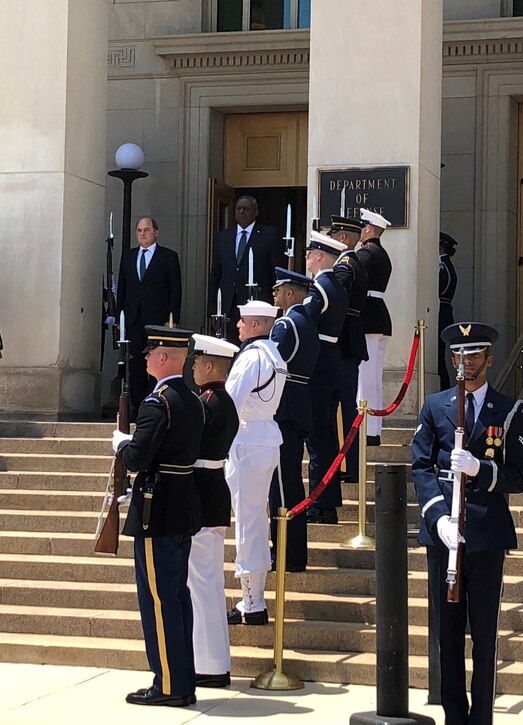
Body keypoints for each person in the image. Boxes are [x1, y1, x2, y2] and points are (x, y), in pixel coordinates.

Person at [412, 321, 523, 725]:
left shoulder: (510, 410)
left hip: (486, 534)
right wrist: (436, 516)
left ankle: (482, 717)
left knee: (483, 635)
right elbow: (421, 467)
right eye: (459, 355)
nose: (465, 363)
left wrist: (482, 469)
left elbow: (520, 477)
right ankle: (453, 716)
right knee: (447, 635)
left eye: (474, 355)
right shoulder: (435, 406)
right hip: (445, 533)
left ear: (489, 359)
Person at [112, 326, 203, 708]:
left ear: (165, 357)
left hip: (157, 508)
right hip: (181, 503)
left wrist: (122, 445)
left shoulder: (157, 403)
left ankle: (169, 683)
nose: (146, 357)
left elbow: (138, 458)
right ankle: (181, 676)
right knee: (177, 596)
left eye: (151, 352)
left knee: (159, 599)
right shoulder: (192, 399)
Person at [225, 300, 286, 626]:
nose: (238, 326)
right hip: (265, 437)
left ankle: (252, 602)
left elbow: (230, 401)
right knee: (256, 521)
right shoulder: (275, 354)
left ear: (256, 325)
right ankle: (254, 598)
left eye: (243, 321)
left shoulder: (251, 357)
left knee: (248, 523)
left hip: (247, 439)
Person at [188, 333, 240, 689]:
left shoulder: (206, 404)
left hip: (201, 496)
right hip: (214, 492)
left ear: (209, 366)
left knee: (201, 584)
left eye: (196, 362)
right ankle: (212, 660)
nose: (192, 367)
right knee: (209, 583)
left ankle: (208, 665)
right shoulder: (225, 402)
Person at [269, 267, 319, 572]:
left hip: (283, 407)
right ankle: (292, 553)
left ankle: (288, 554)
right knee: (289, 483)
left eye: (277, 291)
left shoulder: (286, 324)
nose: (274, 295)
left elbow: (272, 365)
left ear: (290, 293)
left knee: (283, 487)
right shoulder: (306, 322)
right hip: (297, 405)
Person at [303, 230, 349, 525]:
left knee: (318, 437)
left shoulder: (318, 289)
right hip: (334, 363)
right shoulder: (338, 286)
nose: (306, 258)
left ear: (319, 256)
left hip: (318, 367)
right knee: (327, 437)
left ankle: (321, 502)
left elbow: (307, 325)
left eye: (309, 254)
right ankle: (327, 500)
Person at [116, 218, 183, 408]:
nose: (142, 234)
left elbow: (175, 290)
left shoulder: (168, 257)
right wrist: (120, 317)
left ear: (156, 232)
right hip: (133, 319)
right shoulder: (128, 257)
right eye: (139, 230)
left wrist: (172, 319)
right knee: (136, 364)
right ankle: (137, 407)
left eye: (146, 230)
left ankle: (154, 404)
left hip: (158, 320)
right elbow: (123, 288)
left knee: (157, 363)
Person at [328, 216, 368, 483]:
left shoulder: (344, 266)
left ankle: (345, 465)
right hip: (349, 338)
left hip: (343, 340)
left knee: (343, 407)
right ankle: (347, 464)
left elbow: (334, 301)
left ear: (342, 238)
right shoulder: (354, 263)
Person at [209, 195, 282, 344]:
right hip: (227, 306)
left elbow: (275, 273)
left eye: (246, 209)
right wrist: (213, 310)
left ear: (256, 212)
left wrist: (276, 307)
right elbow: (216, 275)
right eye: (238, 209)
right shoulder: (223, 237)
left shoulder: (269, 235)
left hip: (256, 303)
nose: (241, 212)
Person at [356, 209, 393, 446]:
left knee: (364, 378)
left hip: (367, 317)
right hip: (380, 316)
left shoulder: (364, 254)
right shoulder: (382, 253)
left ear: (368, 228)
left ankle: (366, 430)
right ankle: (374, 430)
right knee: (374, 378)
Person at [437, 232, 459, 390]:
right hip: (443, 312)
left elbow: (438, 291)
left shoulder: (442, 266)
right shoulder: (444, 265)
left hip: (440, 313)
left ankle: (442, 389)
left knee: (438, 359)